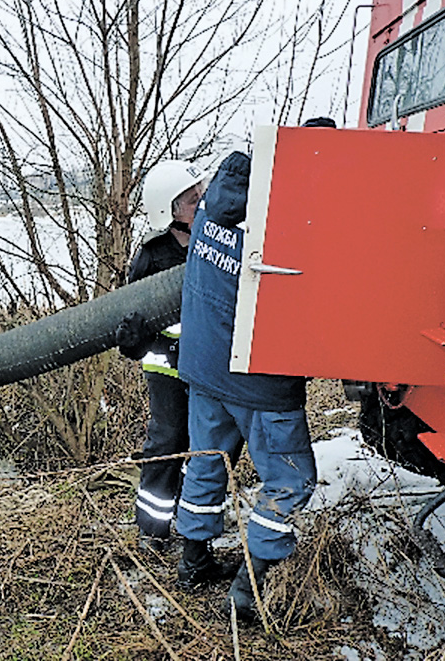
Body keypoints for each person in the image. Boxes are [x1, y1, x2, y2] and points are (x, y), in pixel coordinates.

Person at [174, 125, 331, 620]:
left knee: (207, 461)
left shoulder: (210, 210)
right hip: (258, 380)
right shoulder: (287, 221)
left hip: (203, 369)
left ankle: (193, 560)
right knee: (289, 479)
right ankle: (249, 589)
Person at [115, 159, 206, 552]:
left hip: (206, 367)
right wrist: (135, 341)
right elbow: (132, 324)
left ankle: (194, 523)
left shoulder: (215, 243)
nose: (200, 204)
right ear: (170, 210)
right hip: (167, 367)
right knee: (167, 444)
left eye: (200, 195)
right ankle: (152, 531)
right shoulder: (152, 256)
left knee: (205, 446)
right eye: (191, 200)